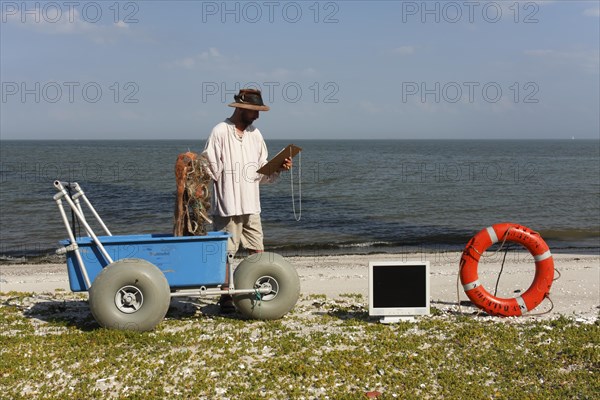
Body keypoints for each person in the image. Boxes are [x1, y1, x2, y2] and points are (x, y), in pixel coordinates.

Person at [203, 88, 292, 313]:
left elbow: (262, 173)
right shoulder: (220, 131)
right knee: (226, 253)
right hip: (227, 204)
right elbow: (209, 166)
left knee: (257, 249)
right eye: (254, 111)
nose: (257, 115)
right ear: (241, 108)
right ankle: (225, 297)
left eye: (259, 111)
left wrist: (278, 168)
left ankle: (257, 290)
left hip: (252, 204)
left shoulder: (256, 135)